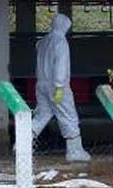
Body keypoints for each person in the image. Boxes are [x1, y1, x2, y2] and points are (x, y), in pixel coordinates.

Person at [32, 13, 90, 162]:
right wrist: (59, 86)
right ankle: (74, 151)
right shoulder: (60, 42)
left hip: (41, 84)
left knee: (41, 115)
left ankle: (21, 144)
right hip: (57, 86)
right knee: (68, 116)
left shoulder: (43, 41)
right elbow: (61, 66)